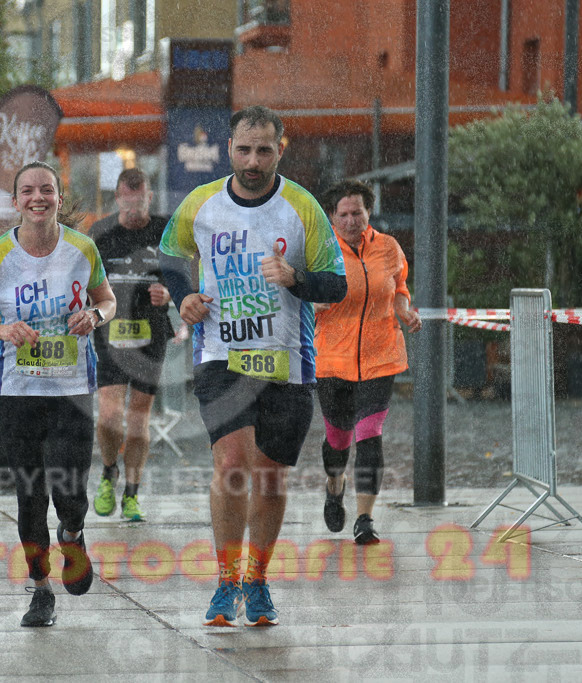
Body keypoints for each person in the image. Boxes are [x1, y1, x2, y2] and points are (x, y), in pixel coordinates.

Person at [159, 105, 346, 627]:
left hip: (288, 363)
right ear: (229, 149)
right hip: (221, 356)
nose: (253, 160)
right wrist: (185, 297)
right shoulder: (201, 203)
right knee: (231, 465)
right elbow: (170, 258)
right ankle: (224, 583)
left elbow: (336, 283)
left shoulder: (301, 206)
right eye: (244, 149)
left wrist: (295, 279)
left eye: (264, 150)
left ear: (280, 149)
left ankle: (257, 581)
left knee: (268, 477)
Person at [0, 161, 116, 628]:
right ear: (16, 201)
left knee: (69, 489)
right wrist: (2, 329)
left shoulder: (83, 248)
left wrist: (96, 317)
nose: (38, 198)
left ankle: (74, 533)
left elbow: (106, 300)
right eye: (28, 191)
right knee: (29, 497)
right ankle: (40, 590)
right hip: (18, 392)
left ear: (59, 198)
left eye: (46, 190)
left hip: (71, 389)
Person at [312, 180, 421, 545]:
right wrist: (311, 304)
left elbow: (400, 286)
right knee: (338, 442)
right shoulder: (320, 251)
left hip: (380, 357)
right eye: (342, 214)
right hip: (331, 360)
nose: (350, 220)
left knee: (370, 435)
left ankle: (364, 519)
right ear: (331, 217)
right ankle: (334, 485)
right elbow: (298, 294)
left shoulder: (388, 247)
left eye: (356, 212)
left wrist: (404, 310)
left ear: (368, 212)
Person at [90, 168, 174, 522]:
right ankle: (109, 472)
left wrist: (169, 293)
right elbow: (86, 279)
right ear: (118, 198)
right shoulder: (101, 232)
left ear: (150, 198)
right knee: (109, 416)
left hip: (150, 331)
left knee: (139, 419)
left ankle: (132, 494)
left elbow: (185, 274)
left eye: (141, 201)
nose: (135, 208)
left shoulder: (164, 230)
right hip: (111, 330)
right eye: (129, 200)